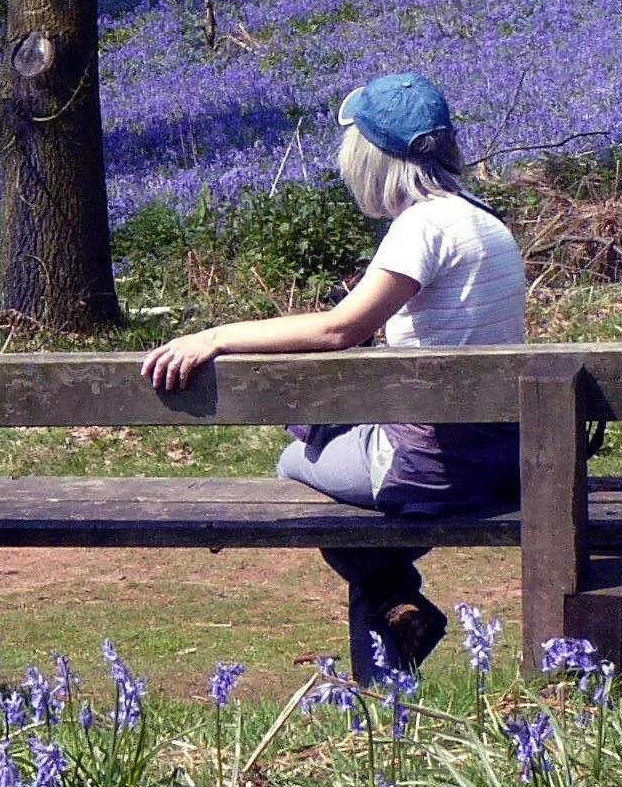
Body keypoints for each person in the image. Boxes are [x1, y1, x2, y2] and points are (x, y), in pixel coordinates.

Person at [140, 72, 527, 677]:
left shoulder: (421, 227)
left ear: (374, 159)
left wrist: (214, 337)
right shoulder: (486, 222)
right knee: (335, 450)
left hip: (433, 465)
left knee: (294, 465)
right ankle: (393, 607)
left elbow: (338, 330)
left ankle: (393, 606)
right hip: (506, 457)